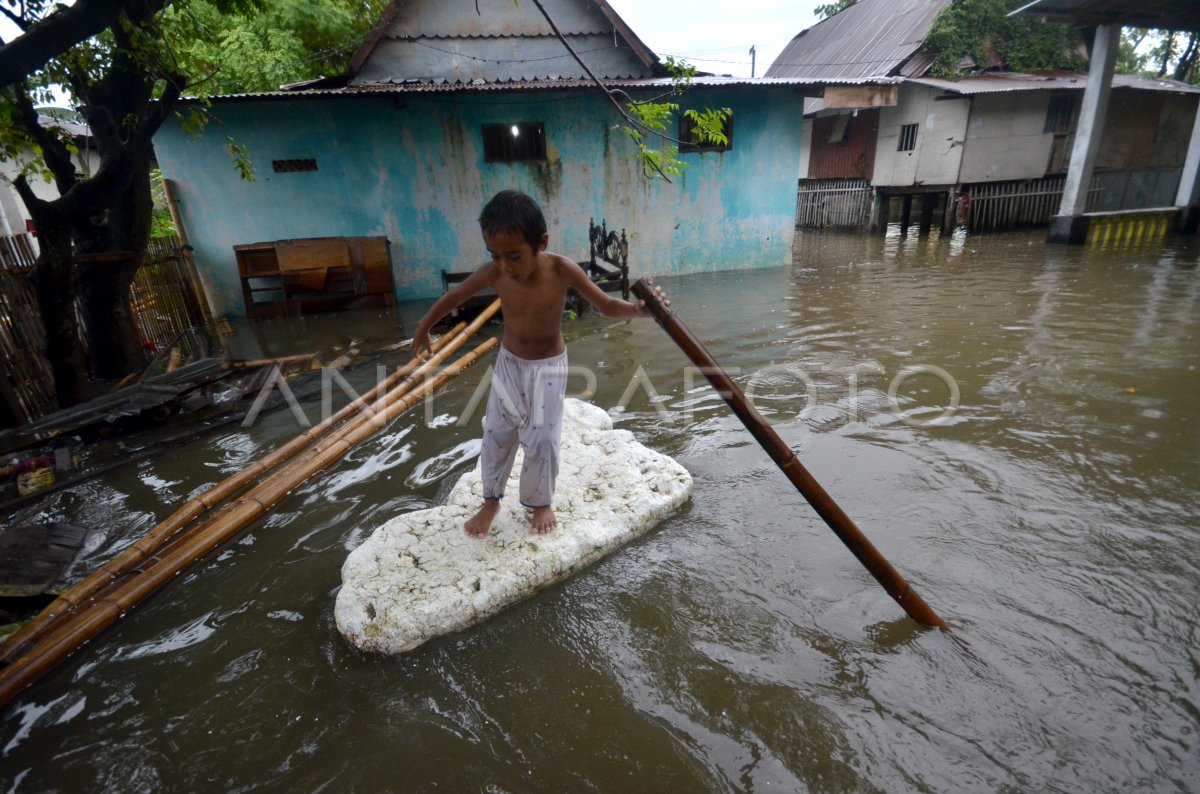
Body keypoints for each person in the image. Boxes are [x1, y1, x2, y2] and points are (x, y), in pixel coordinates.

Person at [411, 190, 668, 538]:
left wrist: (640, 311)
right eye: (495, 255)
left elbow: (606, 305)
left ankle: (540, 501)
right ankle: (491, 500)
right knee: (497, 433)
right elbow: (455, 297)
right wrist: (424, 327)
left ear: (541, 242)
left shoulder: (562, 270)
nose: (504, 265)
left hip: (548, 366)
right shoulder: (495, 273)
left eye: (514, 256)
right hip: (509, 364)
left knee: (543, 437)